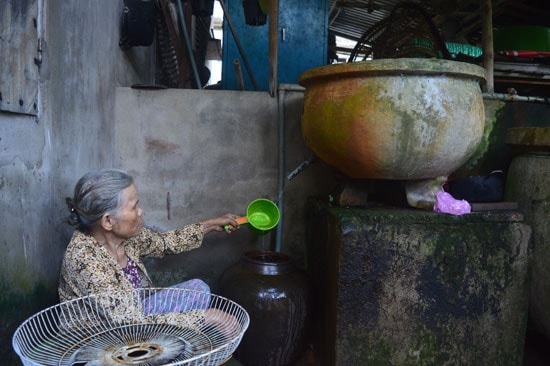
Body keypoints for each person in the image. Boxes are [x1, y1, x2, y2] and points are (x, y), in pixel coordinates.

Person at [58, 168, 242, 337]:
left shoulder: (124, 236)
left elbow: (163, 243)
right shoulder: (84, 258)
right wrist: (205, 317)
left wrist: (210, 225)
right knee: (201, 319)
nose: (140, 211)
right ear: (108, 221)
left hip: (134, 315)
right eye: (133, 207)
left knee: (199, 289)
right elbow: (129, 322)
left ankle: (166, 345)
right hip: (104, 338)